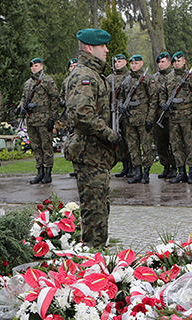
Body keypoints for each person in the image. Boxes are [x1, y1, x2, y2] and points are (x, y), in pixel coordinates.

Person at [63, 28, 118, 249]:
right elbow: (81, 115)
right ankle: (93, 260)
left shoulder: (94, 74)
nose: (106, 50)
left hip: (96, 152)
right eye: (101, 46)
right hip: (89, 152)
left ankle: (96, 254)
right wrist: (110, 135)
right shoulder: (84, 75)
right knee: (94, 211)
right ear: (89, 48)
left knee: (99, 207)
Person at [160, 51, 192, 184]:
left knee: (190, 145)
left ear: (184, 61)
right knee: (176, 146)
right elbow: (162, 93)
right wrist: (163, 104)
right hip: (173, 117)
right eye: (175, 62)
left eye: (179, 61)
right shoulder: (169, 77)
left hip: (187, 116)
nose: (177, 64)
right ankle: (181, 172)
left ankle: (191, 172)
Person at [18, 57, 60, 184]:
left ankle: (48, 172)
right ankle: (39, 171)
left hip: (44, 119)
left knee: (46, 146)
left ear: (41, 66)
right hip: (31, 120)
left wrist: (52, 118)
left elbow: (55, 99)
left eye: (36, 65)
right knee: (36, 147)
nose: (34, 68)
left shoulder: (47, 81)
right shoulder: (28, 83)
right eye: (32, 66)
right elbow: (23, 98)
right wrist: (21, 107)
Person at [118, 54, 156, 184]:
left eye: (136, 63)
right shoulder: (126, 80)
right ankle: (137, 172)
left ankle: (146, 173)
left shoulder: (147, 79)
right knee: (133, 147)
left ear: (141, 63)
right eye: (132, 64)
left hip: (143, 117)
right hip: (130, 118)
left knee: (146, 147)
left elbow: (153, 100)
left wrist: (150, 119)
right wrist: (121, 106)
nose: (133, 66)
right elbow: (121, 96)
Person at [153, 52, 176, 179]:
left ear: (169, 63)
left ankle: (174, 167)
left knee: (173, 142)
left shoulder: (174, 76)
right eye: (159, 62)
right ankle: (165, 166)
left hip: (171, 115)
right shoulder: (155, 78)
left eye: (163, 62)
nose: (161, 65)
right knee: (160, 143)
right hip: (158, 114)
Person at [112, 53, 133, 178]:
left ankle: (132, 166)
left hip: (127, 113)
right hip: (115, 114)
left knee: (129, 140)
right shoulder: (111, 77)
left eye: (120, 61)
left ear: (125, 62)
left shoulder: (130, 76)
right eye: (116, 62)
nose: (117, 64)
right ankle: (125, 165)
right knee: (119, 142)